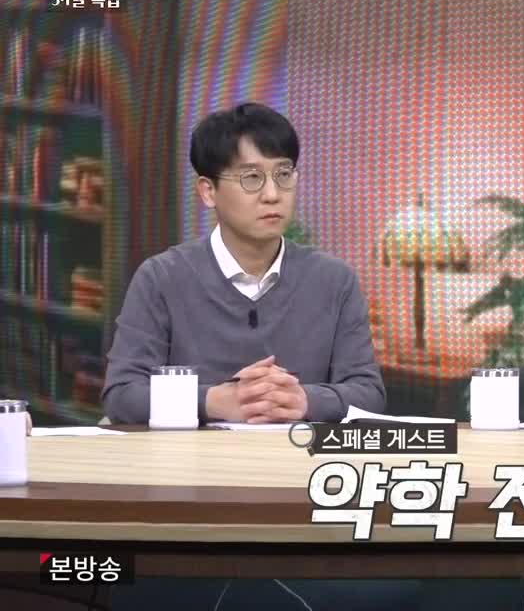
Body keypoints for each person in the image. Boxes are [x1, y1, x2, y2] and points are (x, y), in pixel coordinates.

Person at [102, 102, 386, 425]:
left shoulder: (333, 280)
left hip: (297, 456)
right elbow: (122, 394)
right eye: (252, 178)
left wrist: (305, 400)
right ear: (208, 191)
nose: (272, 194)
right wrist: (212, 401)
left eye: (283, 175)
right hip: (192, 458)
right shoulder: (162, 278)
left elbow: (369, 394)